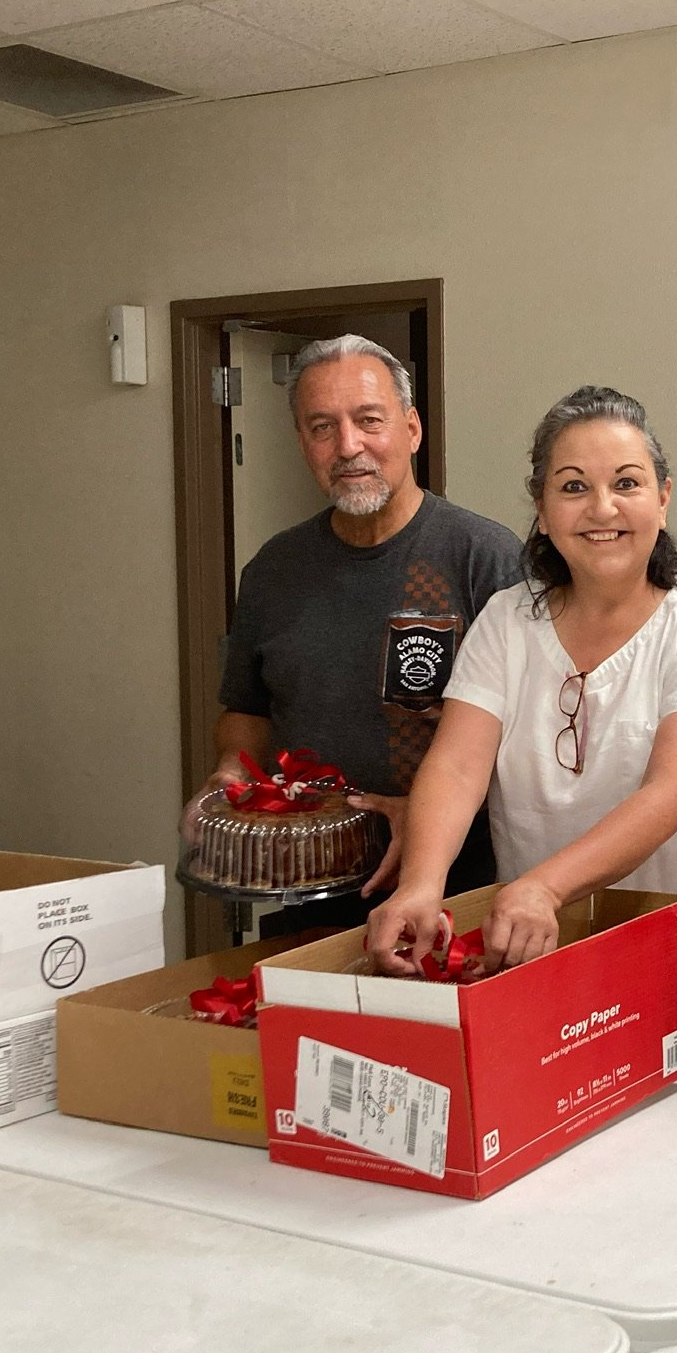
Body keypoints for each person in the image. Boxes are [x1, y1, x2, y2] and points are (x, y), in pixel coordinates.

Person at [367, 386, 677, 1055]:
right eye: (574, 486)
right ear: (542, 510)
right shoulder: (507, 619)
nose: (602, 507)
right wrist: (421, 885)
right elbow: (458, 761)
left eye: (627, 483)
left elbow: (673, 793)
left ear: (663, 499)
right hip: (545, 961)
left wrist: (541, 886)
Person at [188, 334, 523, 933]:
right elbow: (248, 710)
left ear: (412, 429)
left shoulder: (485, 559)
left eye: (369, 420)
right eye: (322, 427)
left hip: (461, 895)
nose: (348, 446)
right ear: (302, 442)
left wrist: (424, 816)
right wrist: (231, 774)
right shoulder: (273, 571)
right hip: (309, 897)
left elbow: (533, 734)